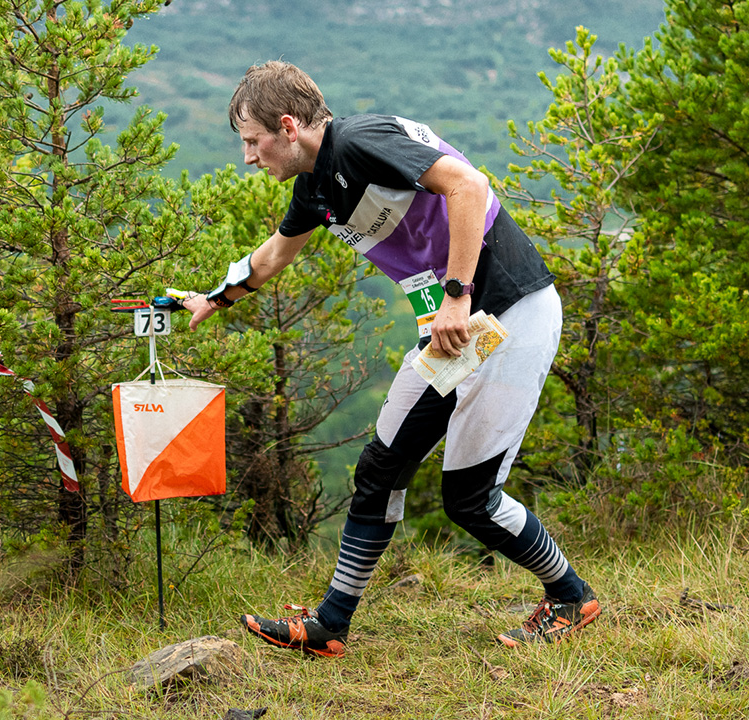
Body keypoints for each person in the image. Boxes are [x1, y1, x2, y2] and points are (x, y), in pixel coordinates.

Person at [181, 61, 600, 657]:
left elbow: (468, 186)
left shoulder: (360, 143)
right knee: (380, 470)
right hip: (455, 331)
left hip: (511, 312)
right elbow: (274, 255)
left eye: (252, 141)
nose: (249, 157)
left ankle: (570, 597)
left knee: (470, 497)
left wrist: (457, 294)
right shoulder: (317, 186)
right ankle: (330, 625)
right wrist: (215, 298)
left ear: (287, 125)